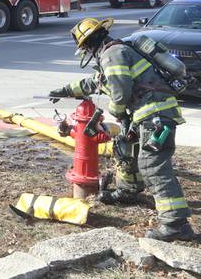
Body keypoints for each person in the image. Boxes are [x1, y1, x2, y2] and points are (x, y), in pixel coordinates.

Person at [49, 17, 195, 242]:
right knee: (125, 147)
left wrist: (116, 112)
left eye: (85, 47)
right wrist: (66, 90)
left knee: (153, 166)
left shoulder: (112, 54)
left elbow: (120, 94)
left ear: (89, 44)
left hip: (154, 116)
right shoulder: (114, 52)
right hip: (149, 115)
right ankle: (128, 191)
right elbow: (95, 83)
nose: (86, 51)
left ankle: (175, 224)